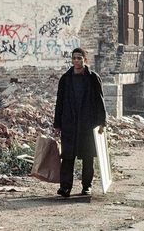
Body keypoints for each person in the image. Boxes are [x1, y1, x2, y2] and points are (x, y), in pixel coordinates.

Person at [54, 47, 107, 197]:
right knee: (67, 156)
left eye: (79, 58)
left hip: (87, 123)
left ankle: (86, 186)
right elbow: (60, 102)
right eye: (74, 58)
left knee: (87, 156)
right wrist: (57, 124)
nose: (76, 61)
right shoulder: (65, 79)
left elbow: (99, 101)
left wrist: (102, 122)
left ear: (85, 60)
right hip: (69, 123)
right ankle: (65, 187)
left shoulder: (92, 78)